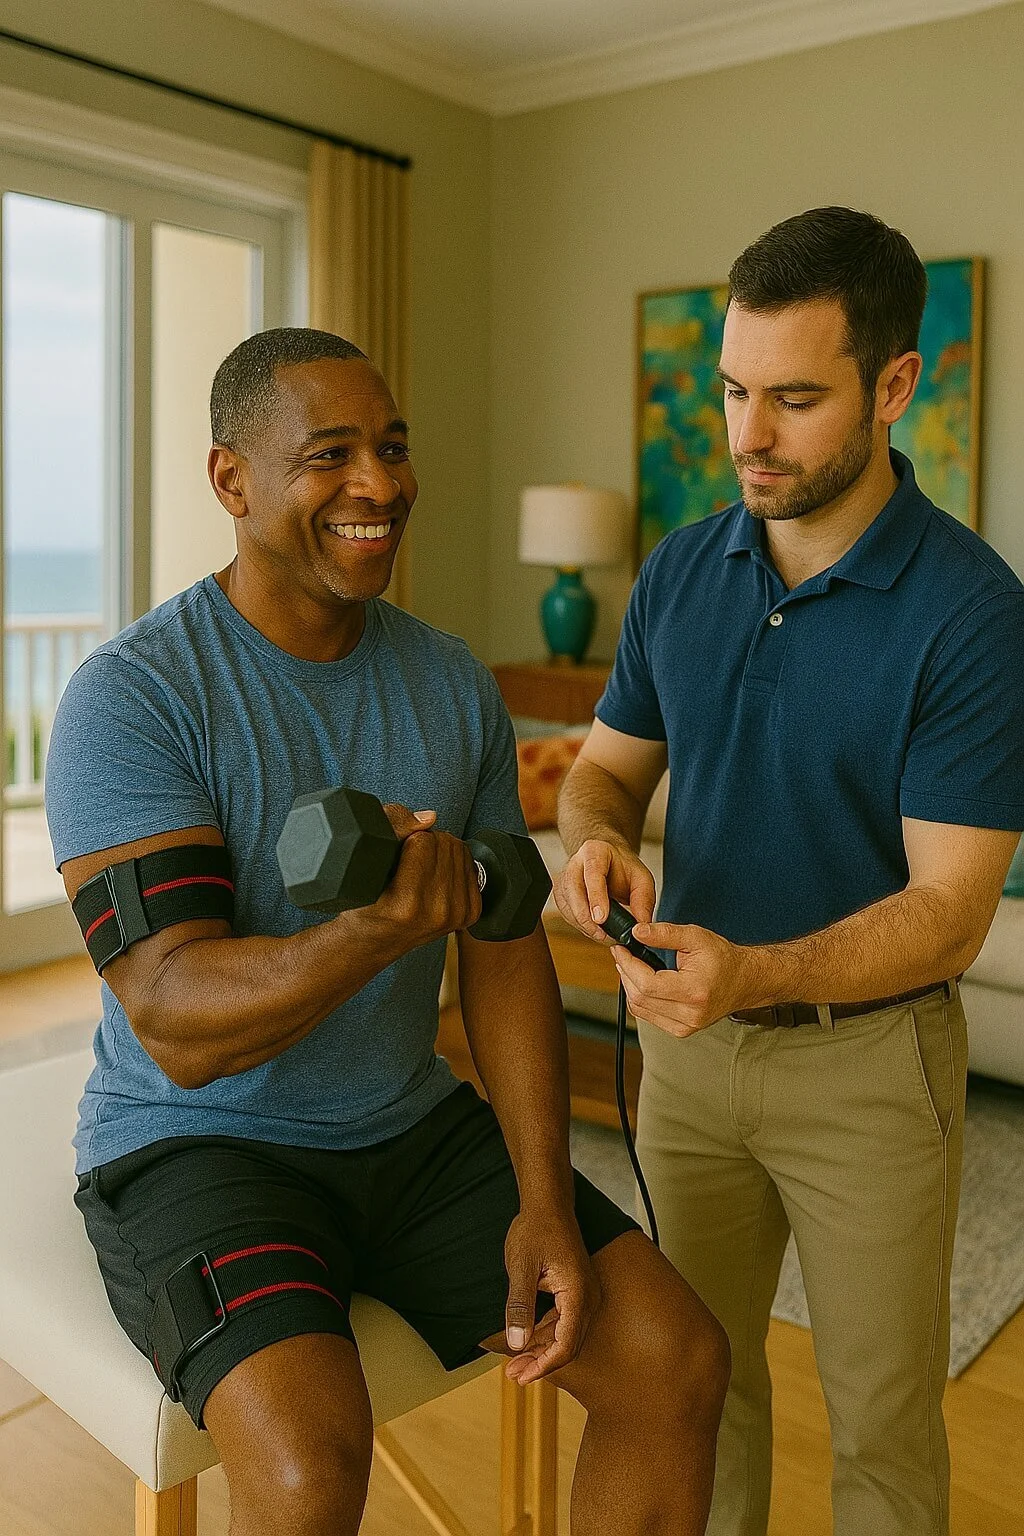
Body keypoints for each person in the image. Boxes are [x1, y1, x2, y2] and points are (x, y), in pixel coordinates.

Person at [45, 328, 729, 1536]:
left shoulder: (451, 684)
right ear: (230, 482)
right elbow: (174, 1020)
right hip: (200, 1149)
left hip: (407, 1130)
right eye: (330, 455)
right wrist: (366, 937)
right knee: (312, 1472)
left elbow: (504, 949)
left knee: (674, 1362)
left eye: (392, 447)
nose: (379, 483)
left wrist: (542, 1201)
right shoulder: (136, 697)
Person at [554, 207, 1024, 1536]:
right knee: (699, 1388)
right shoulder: (678, 572)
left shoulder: (973, 616)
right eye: (733, 391)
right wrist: (598, 840)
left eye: (795, 399)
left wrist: (751, 968)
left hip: (870, 1072)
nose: (748, 436)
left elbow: (950, 915)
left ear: (892, 387)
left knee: (880, 1426)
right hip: (689, 1066)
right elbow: (604, 771)